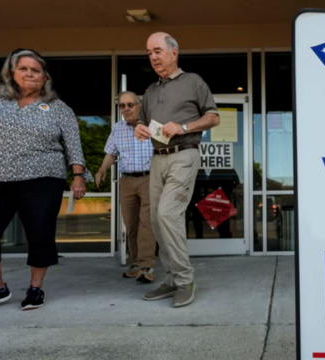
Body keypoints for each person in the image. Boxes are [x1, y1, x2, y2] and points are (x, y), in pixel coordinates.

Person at [0, 49, 93, 314]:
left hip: (43, 178)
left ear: (45, 77)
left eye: (36, 70)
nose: (29, 74)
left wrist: (78, 177)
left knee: (40, 232)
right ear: (11, 73)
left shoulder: (58, 108)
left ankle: (35, 288)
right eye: (23, 69)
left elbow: (74, 145)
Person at [134, 32, 220, 307]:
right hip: (157, 158)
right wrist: (138, 127)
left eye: (157, 50)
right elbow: (142, 121)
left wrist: (184, 127)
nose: (153, 57)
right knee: (157, 221)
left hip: (184, 154)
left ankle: (185, 279)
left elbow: (213, 117)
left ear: (173, 52)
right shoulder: (152, 90)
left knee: (168, 214)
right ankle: (172, 278)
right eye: (149, 53)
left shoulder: (193, 81)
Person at [95, 91, 156, 283]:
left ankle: (147, 266)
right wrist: (102, 169)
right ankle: (136, 262)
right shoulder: (118, 128)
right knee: (131, 224)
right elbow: (111, 153)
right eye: (122, 106)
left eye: (130, 104)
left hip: (149, 178)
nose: (126, 109)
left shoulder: (152, 125)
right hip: (127, 181)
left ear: (139, 105)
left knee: (147, 223)